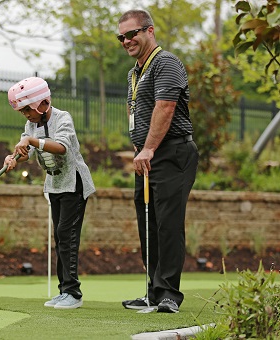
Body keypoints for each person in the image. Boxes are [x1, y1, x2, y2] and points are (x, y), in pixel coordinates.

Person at [117, 9, 199, 313]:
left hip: (172, 153)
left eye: (132, 34)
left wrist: (148, 148)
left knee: (167, 224)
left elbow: (165, 107)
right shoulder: (134, 72)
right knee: (147, 223)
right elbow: (134, 110)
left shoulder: (166, 62)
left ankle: (169, 294)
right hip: (148, 157)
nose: (126, 41)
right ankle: (152, 291)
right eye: (121, 37)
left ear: (149, 31)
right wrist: (140, 146)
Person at [3, 77, 96, 310]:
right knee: (59, 237)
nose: (26, 115)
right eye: (22, 111)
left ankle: (73, 293)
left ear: (42, 104)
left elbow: (62, 147)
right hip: (54, 185)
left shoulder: (62, 118)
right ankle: (64, 290)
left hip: (73, 184)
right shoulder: (31, 126)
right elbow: (28, 152)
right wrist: (15, 157)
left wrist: (31, 140)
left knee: (68, 235)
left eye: (27, 110)